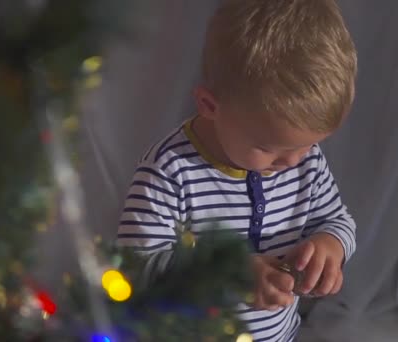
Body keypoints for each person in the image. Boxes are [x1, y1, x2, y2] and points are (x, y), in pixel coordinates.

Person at [116, 0, 357, 340]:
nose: (292, 162)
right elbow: (134, 269)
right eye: (268, 148)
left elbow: (337, 219)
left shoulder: (305, 160)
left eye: (306, 146)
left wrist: (330, 245)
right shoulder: (169, 173)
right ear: (210, 106)